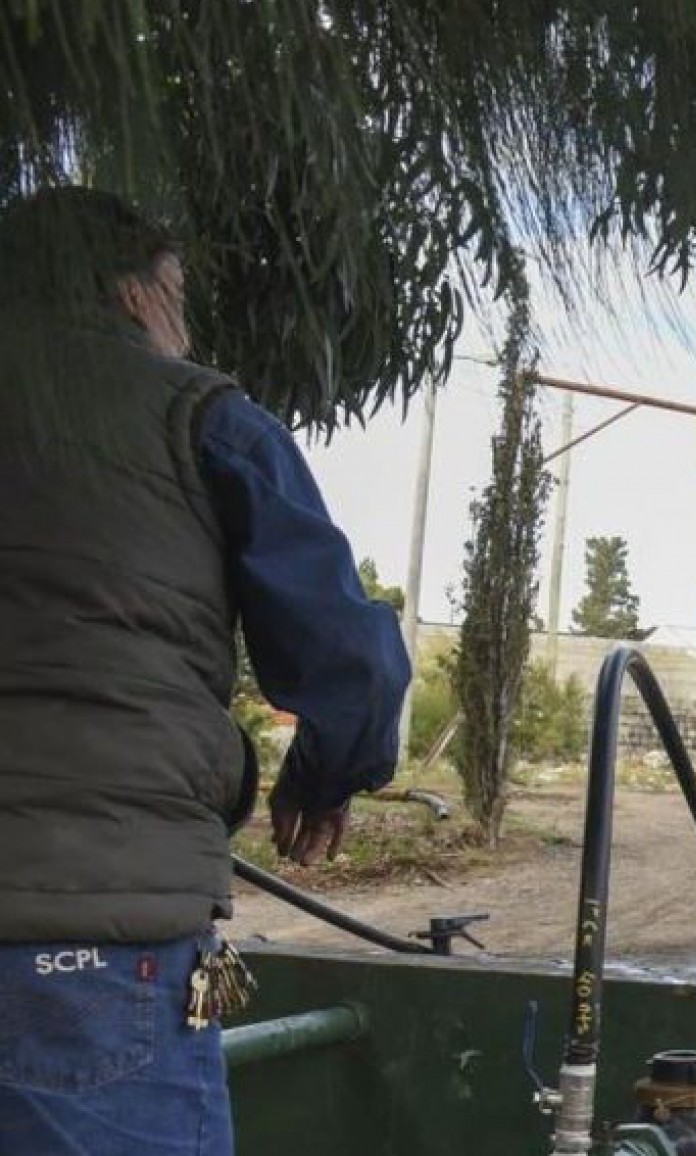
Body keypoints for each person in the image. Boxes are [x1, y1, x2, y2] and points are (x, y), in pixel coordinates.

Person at [0, 187, 411, 1155]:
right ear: (136, 293)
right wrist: (323, 774)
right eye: (177, 294)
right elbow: (349, 659)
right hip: (87, 935)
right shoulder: (200, 416)